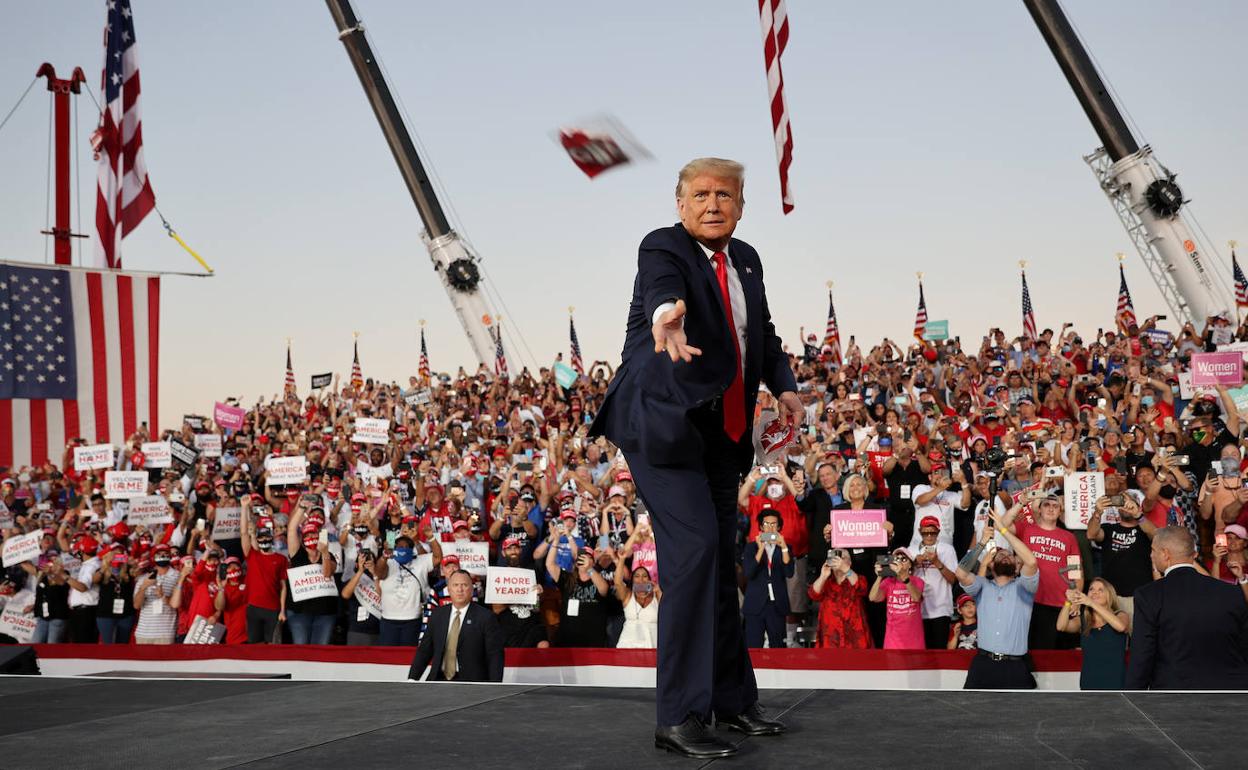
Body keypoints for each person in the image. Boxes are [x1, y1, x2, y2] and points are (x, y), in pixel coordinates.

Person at [591, 157, 796, 758]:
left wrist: (782, 384)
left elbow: (763, 336)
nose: (713, 204)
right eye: (701, 194)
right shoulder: (663, 247)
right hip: (662, 430)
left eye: (725, 195)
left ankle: (731, 703)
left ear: (740, 205)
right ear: (680, 203)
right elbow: (664, 292)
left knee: (717, 558)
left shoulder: (749, 260)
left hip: (722, 433)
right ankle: (678, 717)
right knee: (695, 552)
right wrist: (666, 316)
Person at [1126, 526, 1248, 689]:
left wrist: (1132, 698)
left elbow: (1143, 653)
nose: (1151, 555)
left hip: (1175, 696)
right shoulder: (1231, 592)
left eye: (1153, 550)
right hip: (1230, 693)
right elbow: (1244, 645)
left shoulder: (1149, 595)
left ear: (1165, 554)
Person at [957, 518, 1041, 689]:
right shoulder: (982, 586)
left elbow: (1031, 562)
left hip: (1015, 667)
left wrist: (1004, 531)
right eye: (999, 556)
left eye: (1009, 555)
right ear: (990, 564)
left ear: (1016, 566)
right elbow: (960, 573)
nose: (1005, 556)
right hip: (983, 664)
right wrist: (981, 542)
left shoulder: (1024, 586)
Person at [407, 570, 504, 682]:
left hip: (472, 684)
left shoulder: (486, 617)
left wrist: (495, 686)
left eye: (464, 585)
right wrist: (412, 679)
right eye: (455, 585)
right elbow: (424, 650)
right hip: (438, 680)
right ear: (449, 589)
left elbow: (495, 656)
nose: (460, 589)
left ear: (472, 589)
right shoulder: (437, 615)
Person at [1056, 577, 1129, 690]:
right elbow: (1061, 626)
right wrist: (1068, 601)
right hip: (1089, 683)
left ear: (1109, 595)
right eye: (1091, 589)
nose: (1095, 592)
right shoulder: (1083, 620)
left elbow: (1121, 626)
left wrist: (1091, 603)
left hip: (1116, 683)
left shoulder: (1120, 615)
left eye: (1100, 590)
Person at [742, 509, 795, 648]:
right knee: (753, 647)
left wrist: (783, 548)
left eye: (774, 524)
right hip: (755, 603)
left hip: (776, 604)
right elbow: (749, 573)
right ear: (761, 526)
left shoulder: (786, 547)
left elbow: (789, 572)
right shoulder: (751, 548)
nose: (770, 527)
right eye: (766, 524)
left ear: (779, 527)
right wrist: (760, 549)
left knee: (778, 647)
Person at [373, 534, 432, 646]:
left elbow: (438, 557)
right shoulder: (388, 562)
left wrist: (430, 538)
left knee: (408, 656)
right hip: (388, 619)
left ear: (411, 550)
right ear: (395, 548)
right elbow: (379, 574)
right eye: (400, 546)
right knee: (388, 657)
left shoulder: (420, 561)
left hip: (412, 618)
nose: (403, 549)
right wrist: (384, 556)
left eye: (406, 547)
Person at [807, 548, 871, 648]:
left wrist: (846, 570)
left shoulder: (858, 578)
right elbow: (813, 594)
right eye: (834, 557)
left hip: (854, 638)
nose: (838, 560)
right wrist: (823, 576)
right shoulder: (826, 583)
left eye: (842, 557)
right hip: (831, 638)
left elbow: (862, 588)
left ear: (849, 562)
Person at [911, 516, 958, 649]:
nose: (930, 536)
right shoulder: (912, 550)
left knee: (939, 652)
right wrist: (914, 563)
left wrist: (937, 562)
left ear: (938, 532)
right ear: (920, 532)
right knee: (921, 653)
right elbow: (903, 578)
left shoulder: (947, 549)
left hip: (941, 609)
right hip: (918, 610)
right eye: (926, 533)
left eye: (933, 532)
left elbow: (953, 579)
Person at [869, 547, 924, 649]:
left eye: (903, 559)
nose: (899, 562)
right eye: (896, 559)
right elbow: (873, 597)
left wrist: (904, 578)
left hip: (914, 641)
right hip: (893, 642)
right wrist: (880, 576)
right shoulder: (888, 582)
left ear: (910, 565)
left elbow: (916, 597)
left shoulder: (917, 581)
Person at [614, 561, 660, 649]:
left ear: (650, 579)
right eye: (637, 576)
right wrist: (622, 559)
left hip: (652, 647)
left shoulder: (656, 596)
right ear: (632, 580)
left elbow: (668, 614)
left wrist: (658, 591)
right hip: (627, 647)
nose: (641, 579)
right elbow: (617, 583)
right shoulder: (628, 595)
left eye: (645, 576)